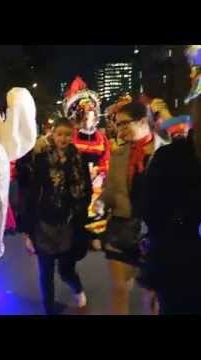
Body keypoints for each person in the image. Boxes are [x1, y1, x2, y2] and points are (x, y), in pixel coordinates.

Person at [140, 45, 201, 314]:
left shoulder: (169, 157)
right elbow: (155, 218)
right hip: (181, 279)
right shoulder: (170, 158)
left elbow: (153, 216)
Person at [97, 100, 168, 315]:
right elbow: (110, 191)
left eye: (124, 124)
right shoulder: (118, 154)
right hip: (121, 228)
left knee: (154, 293)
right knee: (120, 289)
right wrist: (101, 202)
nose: (119, 129)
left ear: (143, 121)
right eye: (117, 125)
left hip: (156, 231)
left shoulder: (167, 153)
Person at [20, 118, 92, 315]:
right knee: (46, 272)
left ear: (72, 135)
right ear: (52, 134)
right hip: (44, 222)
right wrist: (27, 228)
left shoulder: (78, 158)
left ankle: (77, 291)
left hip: (69, 222)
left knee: (66, 269)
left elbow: (86, 189)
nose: (63, 138)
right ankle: (49, 310)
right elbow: (31, 191)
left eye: (67, 134)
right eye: (59, 134)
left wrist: (82, 212)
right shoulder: (41, 158)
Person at [64, 76, 110, 246]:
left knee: (96, 205)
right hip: (77, 177)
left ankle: (95, 235)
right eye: (84, 115)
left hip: (96, 178)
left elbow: (106, 157)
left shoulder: (101, 138)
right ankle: (78, 235)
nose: (88, 119)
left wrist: (100, 171)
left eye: (92, 114)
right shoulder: (72, 137)